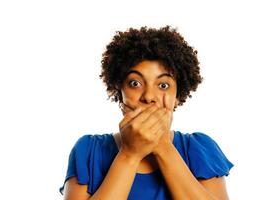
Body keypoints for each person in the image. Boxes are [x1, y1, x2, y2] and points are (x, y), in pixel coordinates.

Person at [59, 26, 234, 200]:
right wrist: (130, 154)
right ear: (120, 92)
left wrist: (162, 146)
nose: (149, 97)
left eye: (163, 85)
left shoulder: (200, 148)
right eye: (135, 83)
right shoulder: (88, 150)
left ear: (177, 96)